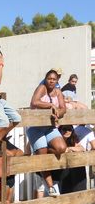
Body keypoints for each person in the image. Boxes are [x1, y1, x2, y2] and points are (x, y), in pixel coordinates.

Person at [26, 69, 67, 197]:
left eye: (54, 79)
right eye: (49, 79)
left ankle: (40, 150)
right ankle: (50, 186)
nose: (51, 81)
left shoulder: (58, 92)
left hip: (50, 127)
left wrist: (58, 113)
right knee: (43, 158)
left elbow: (63, 108)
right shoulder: (42, 88)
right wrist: (50, 105)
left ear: (57, 80)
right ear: (45, 79)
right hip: (36, 127)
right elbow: (34, 102)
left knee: (61, 148)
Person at [57, 125, 89, 204]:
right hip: (64, 170)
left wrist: (70, 148)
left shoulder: (73, 138)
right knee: (65, 192)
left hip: (77, 169)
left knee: (77, 192)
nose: (67, 131)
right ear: (60, 130)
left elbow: (82, 148)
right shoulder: (57, 140)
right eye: (64, 129)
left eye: (69, 129)